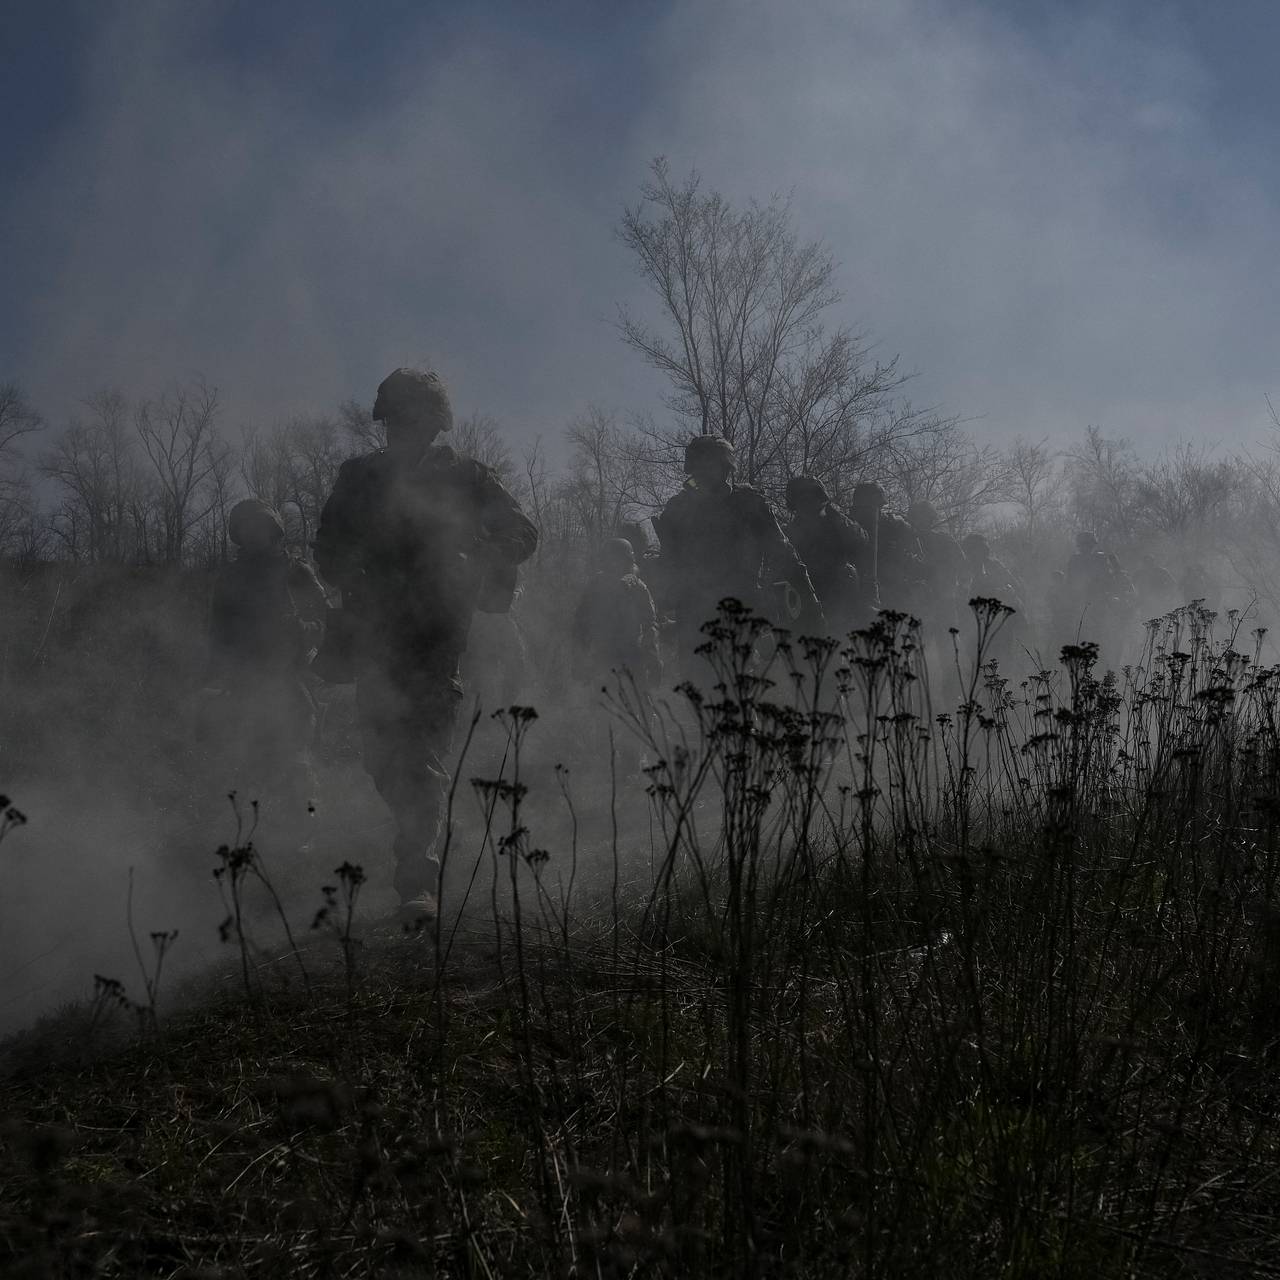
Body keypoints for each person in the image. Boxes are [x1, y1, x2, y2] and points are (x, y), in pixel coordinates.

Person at [312, 369, 538, 925]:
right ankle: (424, 826)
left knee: (421, 754)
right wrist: (352, 565)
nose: (405, 430)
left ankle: (418, 873)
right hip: (374, 630)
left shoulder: (466, 476)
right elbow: (327, 547)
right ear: (386, 422)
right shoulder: (359, 476)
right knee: (381, 757)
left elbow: (522, 534)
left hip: (438, 629)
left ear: (435, 424)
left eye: (417, 419)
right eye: (397, 420)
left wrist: (474, 560)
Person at [202, 498, 329, 829]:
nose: (253, 534)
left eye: (259, 527)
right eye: (246, 529)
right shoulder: (230, 578)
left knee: (296, 760)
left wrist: (301, 630)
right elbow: (218, 631)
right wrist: (213, 680)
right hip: (244, 681)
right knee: (246, 763)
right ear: (238, 534)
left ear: (273, 531)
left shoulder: (295, 571)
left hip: (291, 678)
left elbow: (324, 619)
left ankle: (306, 831)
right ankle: (251, 838)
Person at [653, 435, 822, 674]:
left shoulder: (748, 503)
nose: (704, 472)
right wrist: (658, 606)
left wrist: (810, 601)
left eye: (709, 465)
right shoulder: (678, 508)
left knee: (737, 687)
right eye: (699, 466)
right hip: (694, 612)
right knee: (699, 689)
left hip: (740, 608)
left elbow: (783, 551)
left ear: (724, 468)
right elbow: (668, 563)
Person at [572, 537, 662, 691]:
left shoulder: (637, 587)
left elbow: (650, 623)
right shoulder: (596, 586)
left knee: (640, 703)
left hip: (632, 652)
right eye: (611, 560)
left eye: (618, 560)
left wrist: (653, 658)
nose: (614, 564)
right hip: (603, 653)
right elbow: (581, 621)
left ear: (626, 561)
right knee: (601, 703)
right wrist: (580, 656)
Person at [784, 475, 868, 636]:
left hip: (840, 601)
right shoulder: (789, 533)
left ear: (820, 498)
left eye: (811, 497)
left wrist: (833, 513)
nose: (807, 503)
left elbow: (861, 540)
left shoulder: (837, 525)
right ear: (795, 503)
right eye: (801, 499)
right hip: (806, 603)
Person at [847, 482, 923, 613]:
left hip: (891, 591)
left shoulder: (895, 524)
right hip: (856, 593)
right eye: (867, 508)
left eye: (875, 507)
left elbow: (916, 551)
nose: (872, 512)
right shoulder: (848, 525)